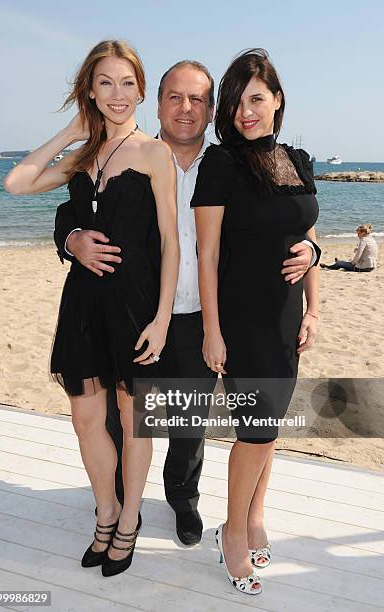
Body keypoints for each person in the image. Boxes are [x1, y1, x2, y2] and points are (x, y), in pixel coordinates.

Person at [54, 58, 321, 547]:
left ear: (210, 107)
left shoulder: (227, 164)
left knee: (188, 423)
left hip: (201, 314)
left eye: (197, 98)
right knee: (122, 417)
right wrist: (72, 238)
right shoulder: (127, 153)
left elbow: (280, 223)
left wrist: (311, 250)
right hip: (137, 313)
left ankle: (182, 499)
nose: (185, 108)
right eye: (174, 96)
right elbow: (71, 207)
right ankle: (116, 502)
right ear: (157, 104)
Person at [4, 40, 180, 577]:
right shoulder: (81, 156)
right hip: (82, 306)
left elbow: (172, 242)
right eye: (105, 83)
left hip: (136, 307)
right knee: (86, 421)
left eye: (127, 83)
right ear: (89, 90)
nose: (118, 94)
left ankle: (129, 521)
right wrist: (72, 133)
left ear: (141, 89)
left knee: (134, 421)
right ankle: (104, 514)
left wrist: (163, 318)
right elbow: (16, 183)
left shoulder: (155, 153)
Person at [191, 48, 319, 596]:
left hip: (288, 314)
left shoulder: (299, 158)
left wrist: (315, 301)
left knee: (269, 429)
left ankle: (255, 513)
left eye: (256, 99)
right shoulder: (221, 163)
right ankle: (233, 529)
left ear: (277, 100)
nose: (246, 112)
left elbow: (307, 237)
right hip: (242, 318)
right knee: (256, 429)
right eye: (237, 102)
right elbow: (208, 253)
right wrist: (212, 329)